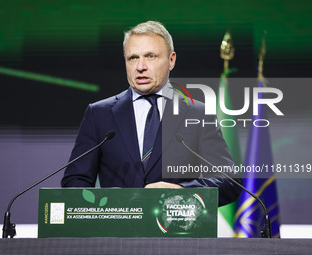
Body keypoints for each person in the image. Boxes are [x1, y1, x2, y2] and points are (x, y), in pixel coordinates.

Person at [61, 21, 242, 206]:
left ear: (171, 60)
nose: (140, 66)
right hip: (117, 230)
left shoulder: (198, 113)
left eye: (150, 56)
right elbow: (75, 181)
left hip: (175, 228)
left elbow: (229, 181)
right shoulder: (99, 114)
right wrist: (106, 204)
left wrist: (183, 192)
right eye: (133, 58)